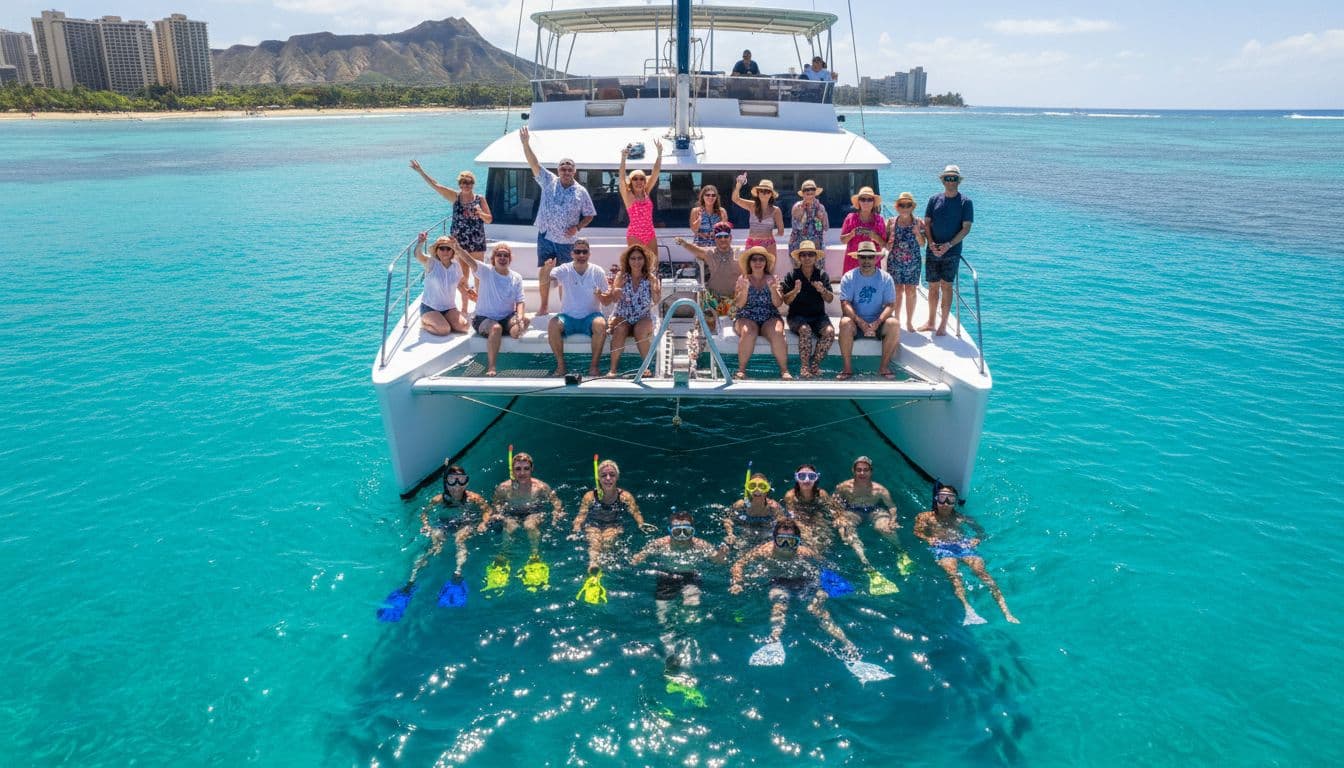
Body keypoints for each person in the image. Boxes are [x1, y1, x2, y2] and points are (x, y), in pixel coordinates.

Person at [728, 518, 863, 660]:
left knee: (817, 609)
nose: (786, 546)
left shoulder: (804, 553)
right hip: (779, 582)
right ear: (774, 539)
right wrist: (738, 583)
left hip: (805, 581)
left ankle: (847, 643)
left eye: (791, 541)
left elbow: (825, 566)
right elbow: (739, 564)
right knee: (779, 601)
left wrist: (824, 589)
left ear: (798, 541)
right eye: (781, 540)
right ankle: (774, 639)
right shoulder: (764, 551)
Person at [631, 511, 729, 684]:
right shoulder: (660, 544)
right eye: (678, 531)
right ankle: (671, 656)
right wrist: (637, 558)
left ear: (693, 530)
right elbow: (637, 558)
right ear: (670, 530)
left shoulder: (701, 545)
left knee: (691, 609)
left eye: (687, 531)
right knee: (664, 618)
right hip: (666, 578)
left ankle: (685, 644)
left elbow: (719, 562)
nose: (682, 536)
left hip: (690, 577)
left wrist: (722, 554)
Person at [914, 482, 1019, 625]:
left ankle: (1006, 611)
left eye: (950, 499)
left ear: (955, 502)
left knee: (981, 572)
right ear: (936, 499)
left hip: (963, 546)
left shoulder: (962, 518)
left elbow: (981, 532)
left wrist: (977, 539)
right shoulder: (925, 517)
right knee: (953, 573)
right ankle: (968, 610)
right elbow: (917, 532)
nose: (945, 503)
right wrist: (927, 538)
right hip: (941, 547)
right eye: (942, 498)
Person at [519, 125, 596, 270]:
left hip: (566, 241)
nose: (566, 171)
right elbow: (534, 163)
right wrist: (525, 144)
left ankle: (563, 294)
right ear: (558, 170)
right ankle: (545, 294)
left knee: (565, 273)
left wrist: (577, 227)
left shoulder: (581, 191)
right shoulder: (548, 181)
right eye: (562, 168)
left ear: (574, 171)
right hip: (545, 236)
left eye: (569, 168)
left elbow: (590, 214)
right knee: (545, 272)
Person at [572, 459, 657, 573]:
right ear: (598, 478)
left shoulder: (625, 496)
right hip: (593, 524)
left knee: (608, 540)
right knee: (594, 540)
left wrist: (641, 523)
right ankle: (593, 564)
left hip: (613, 524)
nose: (608, 478)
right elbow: (581, 515)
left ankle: (604, 566)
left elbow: (635, 512)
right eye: (604, 475)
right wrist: (576, 527)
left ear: (617, 477)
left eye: (612, 475)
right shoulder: (590, 496)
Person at [832, 455, 913, 574]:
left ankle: (901, 552)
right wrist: (838, 516)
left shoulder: (879, 489)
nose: (862, 473)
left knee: (885, 528)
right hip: (853, 511)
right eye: (859, 469)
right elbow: (833, 502)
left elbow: (892, 506)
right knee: (845, 530)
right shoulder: (843, 487)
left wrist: (893, 520)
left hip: (873, 511)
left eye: (866, 470)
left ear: (871, 471)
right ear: (853, 471)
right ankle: (866, 563)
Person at [540, 238, 609, 377]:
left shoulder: (598, 271)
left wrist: (600, 295)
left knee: (601, 324)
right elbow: (544, 280)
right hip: (568, 317)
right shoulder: (564, 269)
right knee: (553, 324)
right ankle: (561, 366)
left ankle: (594, 366)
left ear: (589, 254)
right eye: (578, 252)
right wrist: (546, 269)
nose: (581, 255)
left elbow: (607, 301)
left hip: (592, 316)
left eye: (584, 252)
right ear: (572, 254)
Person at [414, 463, 492, 583]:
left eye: (461, 480)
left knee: (460, 539)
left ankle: (457, 573)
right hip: (445, 523)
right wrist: (426, 526)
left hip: (465, 523)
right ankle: (412, 578)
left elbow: (487, 510)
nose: (457, 486)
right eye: (452, 480)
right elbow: (424, 514)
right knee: (436, 542)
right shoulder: (438, 499)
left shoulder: (473, 498)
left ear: (466, 482)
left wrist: (483, 522)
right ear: (446, 483)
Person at [481, 450, 564, 561]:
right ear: (513, 470)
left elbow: (556, 502)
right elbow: (496, 502)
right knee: (510, 526)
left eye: (526, 468)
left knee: (530, 525)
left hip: (533, 512)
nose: (522, 473)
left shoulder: (540, 487)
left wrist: (557, 513)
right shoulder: (504, 488)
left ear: (531, 469)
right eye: (518, 469)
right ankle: (504, 554)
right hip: (511, 513)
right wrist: (498, 513)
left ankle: (535, 556)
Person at [836, 241, 901, 380]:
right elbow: (844, 303)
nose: (866, 260)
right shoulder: (849, 277)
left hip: (878, 323)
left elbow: (891, 304)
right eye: (863, 257)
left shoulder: (886, 278)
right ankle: (847, 369)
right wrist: (860, 322)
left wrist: (877, 322)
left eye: (870, 257)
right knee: (845, 322)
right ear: (857, 258)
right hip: (856, 323)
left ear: (876, 258)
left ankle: (883, 367)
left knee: (894, 323)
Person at [922, 165, 973, 336]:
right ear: (943, 180)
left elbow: (966, 228)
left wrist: (948, 245)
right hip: (933, 249)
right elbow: (927, 222)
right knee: (933, 286)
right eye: (948, 178)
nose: (951, 181)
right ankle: (931, 322)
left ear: (958, 181)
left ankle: (943, 324)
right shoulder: (933, 199)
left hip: (951, 252)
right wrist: (931, 243)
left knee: (947, 286)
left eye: (954, 178)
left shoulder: (966, 202)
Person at [409, 160, 493, 260]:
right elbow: (436, 185)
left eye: (469, 182)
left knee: (479, 272)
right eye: (463, 182)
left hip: (477, 240)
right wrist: (420, 171)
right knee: (463, 274)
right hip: (459, 241)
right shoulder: (455, 197)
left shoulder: (480, 199)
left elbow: (489, 220)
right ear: (460, 185)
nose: (466, 185)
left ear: (473, 184)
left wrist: (481, 214)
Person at [731, 246, 791, 380]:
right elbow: (739, 304)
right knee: (748, 332)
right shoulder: (743, 279)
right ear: (749, 263)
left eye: (761, 259)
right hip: (746, 316)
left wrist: (773, 289)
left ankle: (784, 370)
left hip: (769, 316)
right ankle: (741, 370)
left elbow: (778, 304)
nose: (758, 262)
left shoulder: (773, 279)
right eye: (754, 259)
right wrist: (745, 289)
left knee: (777, 332)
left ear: (765, 262)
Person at [779, 240, 834, 379]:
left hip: (818, 316)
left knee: (829, 332)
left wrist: (822, 290)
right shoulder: (792, 276)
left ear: (815, 257)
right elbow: (786, 300)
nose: (807, 257)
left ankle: (814, 365)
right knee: (805, 330)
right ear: (800, 258)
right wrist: (795, 291)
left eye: (810, 254)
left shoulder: (822, 275)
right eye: (804, 255)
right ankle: (804, 367)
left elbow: (830, 299)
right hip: (797, 317)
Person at [472, 243, 528, 377]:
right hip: (483, 319)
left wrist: (520, 316)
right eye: (499, 255)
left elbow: (520, 300)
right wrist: (457, 248)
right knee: (496, 328)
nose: (502, 258)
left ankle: (512, 330)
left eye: (506, 255)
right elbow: (468, 260)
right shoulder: (485, 271)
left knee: (524, 321)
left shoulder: (516, 277)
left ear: (510, 259)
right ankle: (491, 366)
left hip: (506, 318)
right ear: (493, 259)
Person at [607, 244, 662, 375]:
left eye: (639, 258)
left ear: (645, 260)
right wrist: (617, 289)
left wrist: (655, 289)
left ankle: (646, 368)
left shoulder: (651, 277)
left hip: (643, 316)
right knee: (620, 329)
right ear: (628, 260)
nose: (636, 262)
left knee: (639, 330)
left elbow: (656, 300)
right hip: (623, 315)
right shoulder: (621, 276)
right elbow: (614, 299)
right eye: (633, 258)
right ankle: (613, 370)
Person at [674, 223, 739, 331]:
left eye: (725, 236)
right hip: (713, 299)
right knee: (708, 323)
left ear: (730, 237)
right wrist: (683, 243)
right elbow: (695, 249)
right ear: (715, 238)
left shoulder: (739, 255)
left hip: (732, 299)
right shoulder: (710, 254)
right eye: (719, 236)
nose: (723, 239)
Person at [414, 232, 476, 335]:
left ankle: (443, 320)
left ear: (452, 251)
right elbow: (418, 255)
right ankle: (424, 323)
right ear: (437, 250)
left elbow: (460, 286)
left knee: (465, 327)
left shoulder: (456, 266)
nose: (445, 251)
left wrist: (465, 307)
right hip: (430, 307)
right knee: (444, 330)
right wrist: (420, 242)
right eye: (441, 248)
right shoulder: (431, 262)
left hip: (449, 307)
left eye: (448, 249)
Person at [884, 191, 927, 331]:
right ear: (897, 207)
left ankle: (909, 321)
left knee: (911, 291)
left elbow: (922, 244)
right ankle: (897, 319)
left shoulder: (919, 223)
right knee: (897, 291)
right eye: (902, 205)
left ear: (912, 207)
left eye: (908, 205)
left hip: (913, 263)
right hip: (895, 262)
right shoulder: (891, 222)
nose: (905, 207)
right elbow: (885, 242)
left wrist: (917, 233)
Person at [731, 174, 785, 274]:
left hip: (768, 244)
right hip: (752, 242)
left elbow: (781, 232)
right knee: (748, 273)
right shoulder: (751, 205)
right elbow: (735, 199)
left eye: (767, 191)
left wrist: (769, 236)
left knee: (768, 273)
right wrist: (739, 184)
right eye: (762, 191)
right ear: (758, 193)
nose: (764, 193)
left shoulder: (776, 211)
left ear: (771, 194)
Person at [618, 139, 664, 254]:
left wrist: (659, 154)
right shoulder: (628, 196)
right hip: (635, 233)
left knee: (654, 264)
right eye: (635, 178)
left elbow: (655, 173)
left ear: (644, 181)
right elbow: (622, 178)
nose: (638, 181)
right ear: (631, 181)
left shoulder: (646, 192)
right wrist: (623, 158)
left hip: (650, 232)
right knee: (636, 264)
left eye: (641, 178)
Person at [781, 463, 837, 552]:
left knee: (825, 535)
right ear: (797, 479)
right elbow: (793, 517)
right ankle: (813, 552)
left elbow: (834, 511)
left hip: (816, 513)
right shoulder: (790, 496)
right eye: (802, 476)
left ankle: (820, 553)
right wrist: (804, 529)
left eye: (811, 476)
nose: (806, 480)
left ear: (816, 479)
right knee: (806, 534)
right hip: (800, 515)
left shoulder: (821, 494)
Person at [724, 471, 786, 549]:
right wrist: (730, 534)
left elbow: (783, 523)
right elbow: (728, 519)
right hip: (746, 530)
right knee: (738, 546)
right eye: (752, 486)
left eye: (762, 486)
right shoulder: (741, 505)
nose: (757, 490)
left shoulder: (773, 507)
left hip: (766, 532)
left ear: (767, 489)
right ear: (748, 489)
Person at [840, 186, 887, 274]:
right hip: (852, 261)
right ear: (859, 202)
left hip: (872, 262)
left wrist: (873, 236)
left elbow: (883, 243)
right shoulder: (850, 218)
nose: (866, 202)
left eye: (869, 199)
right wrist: (852, 234)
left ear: (873, 202)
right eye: (863, 199)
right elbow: (843, 240)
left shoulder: (879, 220)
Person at [787, 179, 829, 263]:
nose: (809, 191)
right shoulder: (797, 206)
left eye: (812, 189)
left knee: (817, 273)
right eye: (806, 190)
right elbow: (798, 227)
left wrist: (821, 218)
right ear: (802, 193)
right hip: (799, 245)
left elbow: (826, 227)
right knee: (799, 273)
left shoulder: (820, 207)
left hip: (816, 245)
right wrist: (802, 214)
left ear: (815, 192)